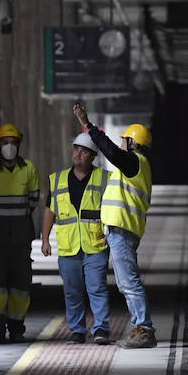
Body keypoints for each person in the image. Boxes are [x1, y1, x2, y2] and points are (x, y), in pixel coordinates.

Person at [71, 102, 156, 349]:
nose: (121, 143)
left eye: (124, 140)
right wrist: (107, 226)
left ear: (133, 143)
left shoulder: (135, 162)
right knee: (126, 282)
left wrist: (87, 125)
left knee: (129, 282)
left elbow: (110, 150)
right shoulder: (136, 166)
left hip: (123, 231)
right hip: (120, 230)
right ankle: (141, 326)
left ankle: (144, 328)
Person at [40, 131, 113, 345]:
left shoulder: (104, 179)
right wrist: (45, 239)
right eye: (76, 149)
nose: (78, 154)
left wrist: (111, 233)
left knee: (97, 289)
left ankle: (101, 330)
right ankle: (77, 331)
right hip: (68, 246)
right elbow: (49, 211)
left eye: (84, 151)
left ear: (93, 156)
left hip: (95, 244)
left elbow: (112, 209)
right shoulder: (58, 180)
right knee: (72, 292)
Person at [0, 123, 41, 342]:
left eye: (12, 143)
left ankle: (16, 328)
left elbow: (33, 199)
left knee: (20, 284)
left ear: (19, 144)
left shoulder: (29, 169)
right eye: (5, 142)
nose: (9, 146)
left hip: (20, 236)